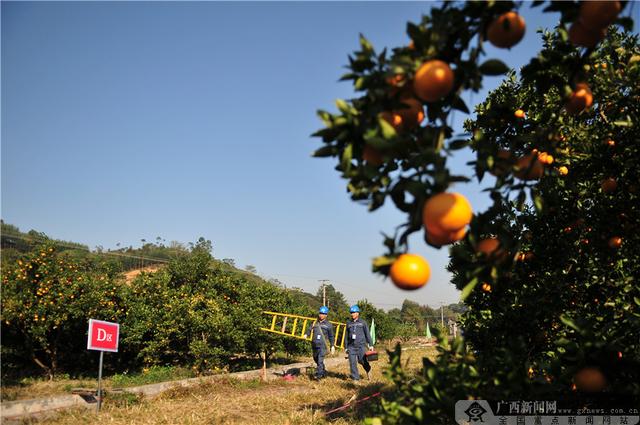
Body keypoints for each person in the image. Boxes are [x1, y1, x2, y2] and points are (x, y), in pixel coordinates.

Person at [305, 306, 335, 379]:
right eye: (320, 313)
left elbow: (331, 336)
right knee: (316, 359)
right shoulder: (315, 322)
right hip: (314, 344)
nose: (321, 315)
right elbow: (309, 329)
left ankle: (319, 376)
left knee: (320, 359)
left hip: (323, 346)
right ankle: (323, 371)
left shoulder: (329, 325)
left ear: (326, 315)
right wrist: (306, 334)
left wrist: (332, 346)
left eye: (323, 314)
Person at [345, 305, 373, 381]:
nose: (352, 314)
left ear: (358, 313)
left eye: (354, 312)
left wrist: (370, 344)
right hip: (351, 347)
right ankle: (355, 379)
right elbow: (346, 336)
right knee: (352, 363)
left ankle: (368, 369)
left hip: (361, 346)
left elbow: (367, 334)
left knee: (361, 360)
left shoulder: (363, 323)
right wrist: (346, 347)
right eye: (351, 312)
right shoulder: (348, 323)